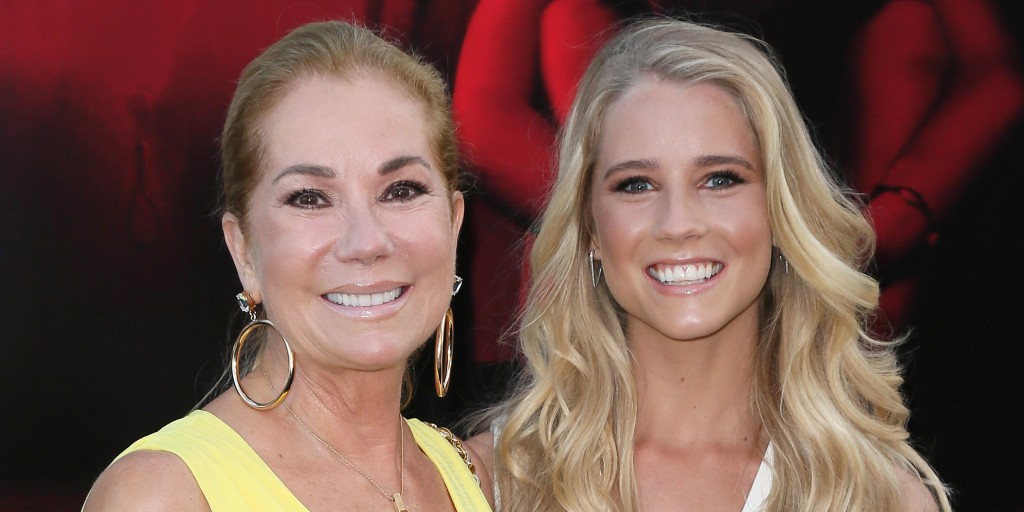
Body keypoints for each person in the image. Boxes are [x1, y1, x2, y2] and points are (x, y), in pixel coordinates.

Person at [468, 18, 951, 511]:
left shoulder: (879, 497)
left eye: (720, 179)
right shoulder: (488, 482)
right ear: (590, 228)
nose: (678, 224)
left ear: (779, 212)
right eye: (636, 184)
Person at [83, 20, 492, 511]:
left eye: (401, 190)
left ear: (453, 222)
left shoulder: (472, 475)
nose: (367, 242)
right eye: (310, 198)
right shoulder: (162, 496)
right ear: (243, 250)